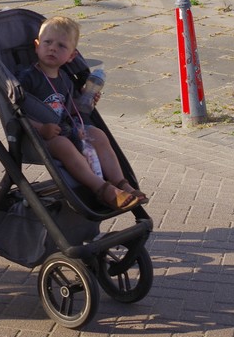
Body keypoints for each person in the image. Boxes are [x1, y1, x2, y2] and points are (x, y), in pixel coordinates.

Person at [19, 16, 145, 210]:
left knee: (97, 134)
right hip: (36, 136)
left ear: (71, 56)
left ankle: (121, 183)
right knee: (63, 144)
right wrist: (41, 128)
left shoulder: (65, 79)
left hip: (64, 130)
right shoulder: (28, 78)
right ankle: (101, 189)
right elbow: (17, 113)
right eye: (47, 42)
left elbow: (69, 110)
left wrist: (86, 101)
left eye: (61, 46)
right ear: (37, 46)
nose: (52, 48)